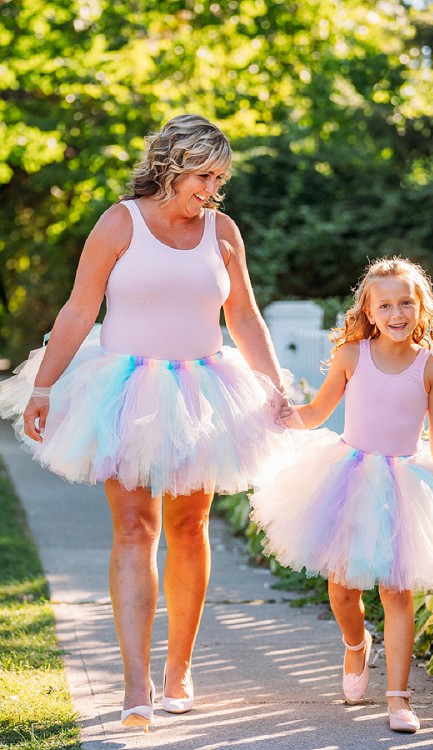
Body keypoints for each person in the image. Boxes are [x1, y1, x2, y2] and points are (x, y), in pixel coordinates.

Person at [0, 114, 291, 732]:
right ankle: (136, 683)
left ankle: (178, 670)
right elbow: (80, 310)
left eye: (219, 177)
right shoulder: (119, 222)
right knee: (134, 526)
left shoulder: (224, 230)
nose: (212, 188)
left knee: (190, 526)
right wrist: (44, 385)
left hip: (203, 390)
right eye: (203, 175)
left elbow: (244, 318)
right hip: (125, 389)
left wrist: (275, 387)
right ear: (171, 166)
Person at [250, 257, 433, 734]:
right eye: (385, 304)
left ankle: (399, 697)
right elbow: (319, 411)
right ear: (367, 309)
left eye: (406, 302)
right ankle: (355, 645)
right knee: (343, 591)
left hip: (405, 482)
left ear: (421, 306)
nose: (397, 312)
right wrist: (284, 414)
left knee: (396, 590)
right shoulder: (351, 356)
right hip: (348, 475)